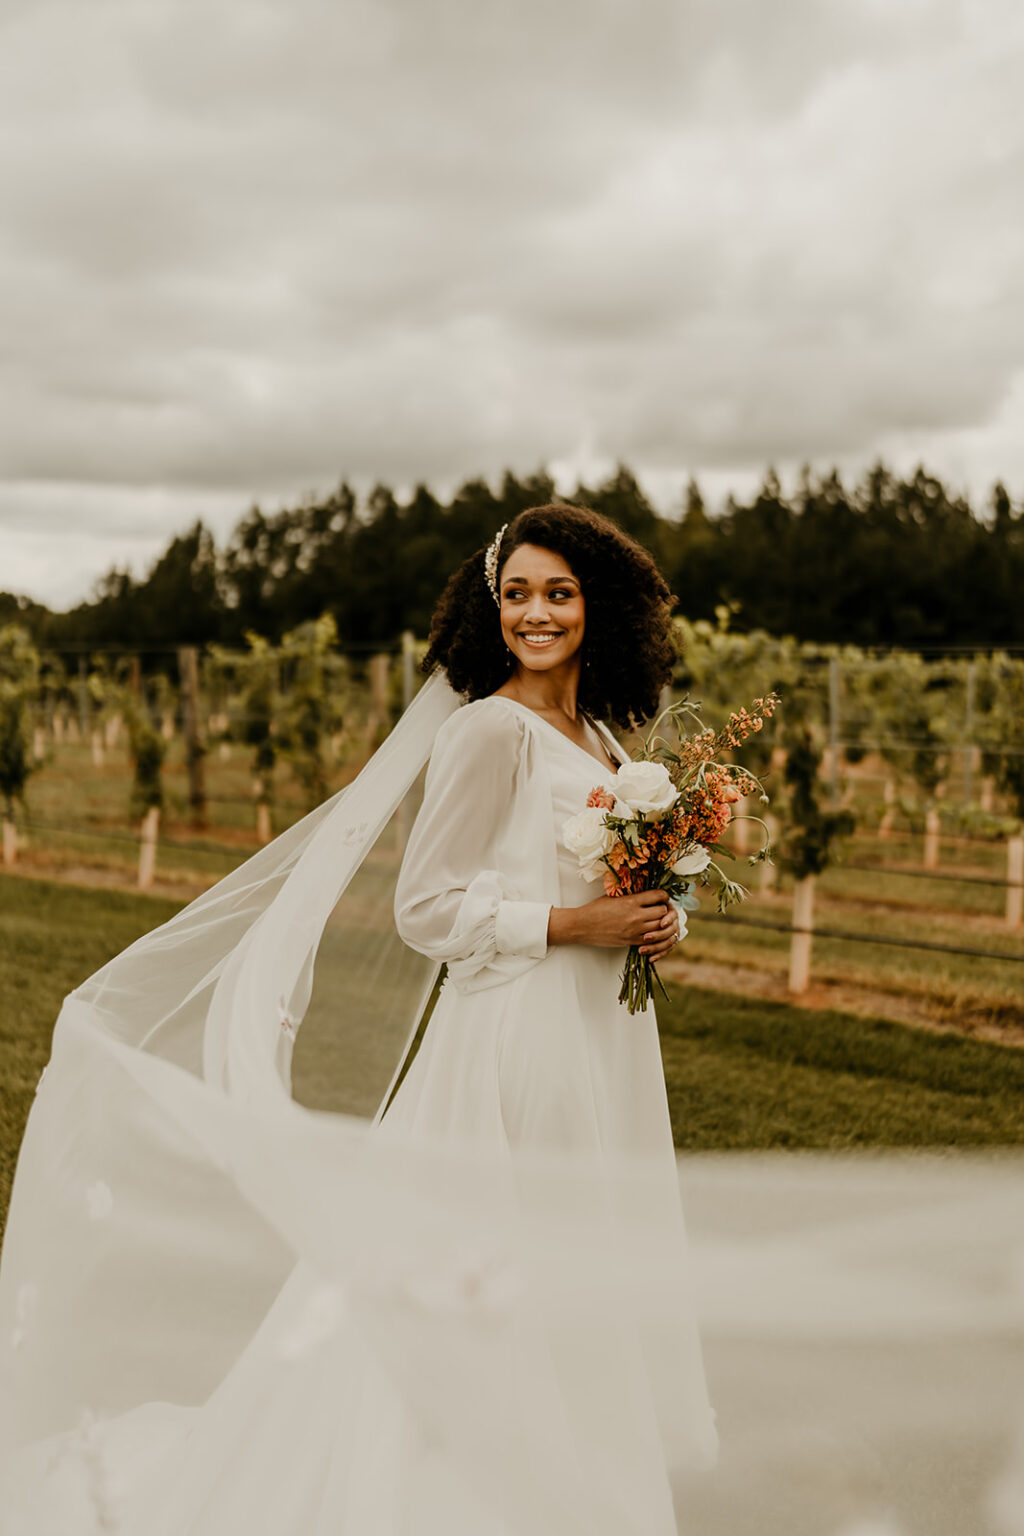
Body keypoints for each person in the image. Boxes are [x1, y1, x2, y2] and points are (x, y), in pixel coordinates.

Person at [0, 503, 717, 1535]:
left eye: (557, 591)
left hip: (598, 1038)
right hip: (513, 1039)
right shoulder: (487, 730)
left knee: (578, 1254)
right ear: (490, 606)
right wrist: (576, 921)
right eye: (514, 593)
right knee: (493, 1261)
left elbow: (596, 882)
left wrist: (657, 920)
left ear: (596, 603)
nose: (535, 612)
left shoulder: (603, 736)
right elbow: (423, 908)